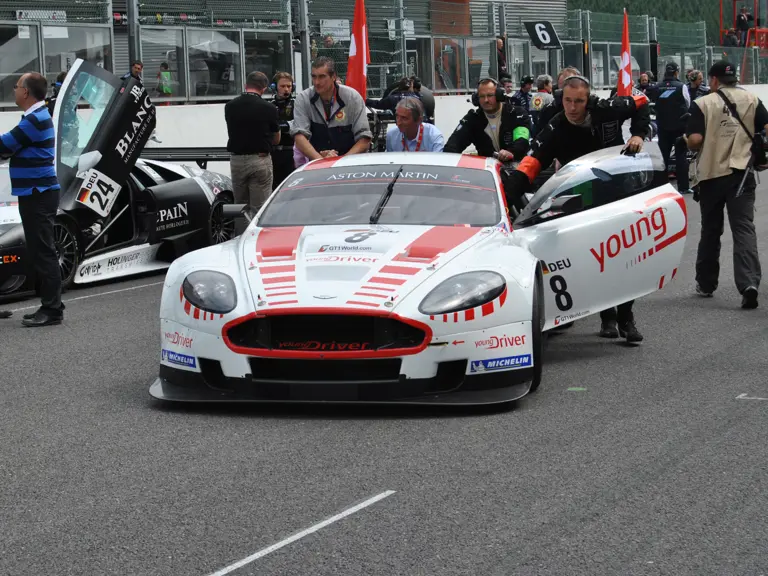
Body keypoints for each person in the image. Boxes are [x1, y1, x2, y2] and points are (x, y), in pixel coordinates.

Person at [504, 75, 651, 342]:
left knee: (624, 254)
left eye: (579, 101)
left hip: (617, 188)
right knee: (592, 254)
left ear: (588, 99)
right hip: (580, 193)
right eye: (568, 101)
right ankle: (605, 314)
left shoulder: (608, 109)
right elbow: (530, 164)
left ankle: (626, 318)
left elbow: (642, 103)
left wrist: (639, 134)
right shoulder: (555, 126)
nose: (573, 107)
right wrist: (503, 198)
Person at [685, 60, 767, 309]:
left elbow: (696, 140)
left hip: (711, 175)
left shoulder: (702, 103)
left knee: (711, 229)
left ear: (713, 80)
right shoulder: (753, 100)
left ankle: (706, 283)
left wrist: (686, 139)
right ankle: (749, 283)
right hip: (741, 174)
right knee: (743, 228)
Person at [0, 73, 64, 326]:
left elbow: (4, 145)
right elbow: (9, 149)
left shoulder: (35, 120)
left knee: (44, 251)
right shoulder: (34, 117)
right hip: (36, 193)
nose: (14, 91)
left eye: (16, 87)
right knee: (40, 250)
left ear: (26, 92)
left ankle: (52, 310)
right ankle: (51, 305)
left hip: (39, 194)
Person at [290, 57, 372, 160]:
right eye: (314, 77)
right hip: (317, 161)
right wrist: (321, 161)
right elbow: (299, 138)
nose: (316, 82)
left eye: (322, 77)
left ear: (333, 77)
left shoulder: (353, 97)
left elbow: (364, 139)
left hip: (349, 163)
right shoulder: (303, 98)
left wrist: (340, 162)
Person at [224, 71, 280, 210]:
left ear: (245, 85)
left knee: (240, 207)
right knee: (260, 207)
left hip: (236, 160)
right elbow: (276, 137)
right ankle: (256, 232)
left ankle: (241, 231)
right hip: (259, 159)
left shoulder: (230, 106)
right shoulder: (269, 108)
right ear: (264, 88)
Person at [444, 78, 530, 161]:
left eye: (490, 95)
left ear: (499, 95)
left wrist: (511, 152)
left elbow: (522, 139)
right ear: (476, 99)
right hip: (488, 170)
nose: (486, 100)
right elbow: (452, 146)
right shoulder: (473, 118)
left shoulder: (517, 113)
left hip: (517, 167)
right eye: (482, 96)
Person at [647, 62, 692, 194]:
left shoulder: (657, 86)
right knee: (681, 156)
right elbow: (687, 103)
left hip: (662, 125)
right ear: (676, 72)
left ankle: (660, 187)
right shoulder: (681, 86)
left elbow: (653, 103)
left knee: (663, 157)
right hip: (679, 126)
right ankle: (683, 187)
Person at [271, 71, 296, 190]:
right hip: (273, 154)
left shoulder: (297, 104)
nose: (286, 89)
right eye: (282, 86)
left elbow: (299, 125)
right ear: (274, 87)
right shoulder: (269, 106)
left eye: (289, 86)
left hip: (291, 152)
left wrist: (281, 126)